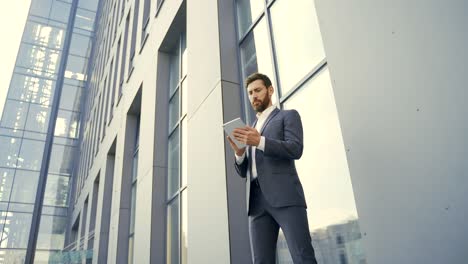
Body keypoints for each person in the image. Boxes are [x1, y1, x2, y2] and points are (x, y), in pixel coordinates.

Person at [227, 73, 318, 264]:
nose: (254, 96)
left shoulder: (288, 116)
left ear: (270, 90)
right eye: (250, 93)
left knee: (303, 257)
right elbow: (244, 171)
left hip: (285, 196)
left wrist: (259, 141)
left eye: (258, 90)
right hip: (256, 203)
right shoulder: (250, 128)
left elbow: (295, 148)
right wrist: (240, 153)